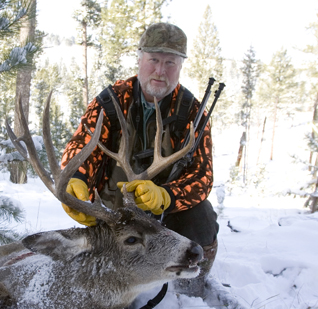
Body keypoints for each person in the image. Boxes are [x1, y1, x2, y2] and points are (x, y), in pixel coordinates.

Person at [60, 22, 218, 294]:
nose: (160, 70)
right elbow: (83, 145)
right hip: (117, 211)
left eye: (170, 62)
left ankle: (191, 285)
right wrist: (78, 177)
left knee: (201, 217)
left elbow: (202, 176)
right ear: (140, 58)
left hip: (168, 215)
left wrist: (167, 196)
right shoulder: (110, 101)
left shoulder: (193, 112)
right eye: (154, 60)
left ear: (180, 66)